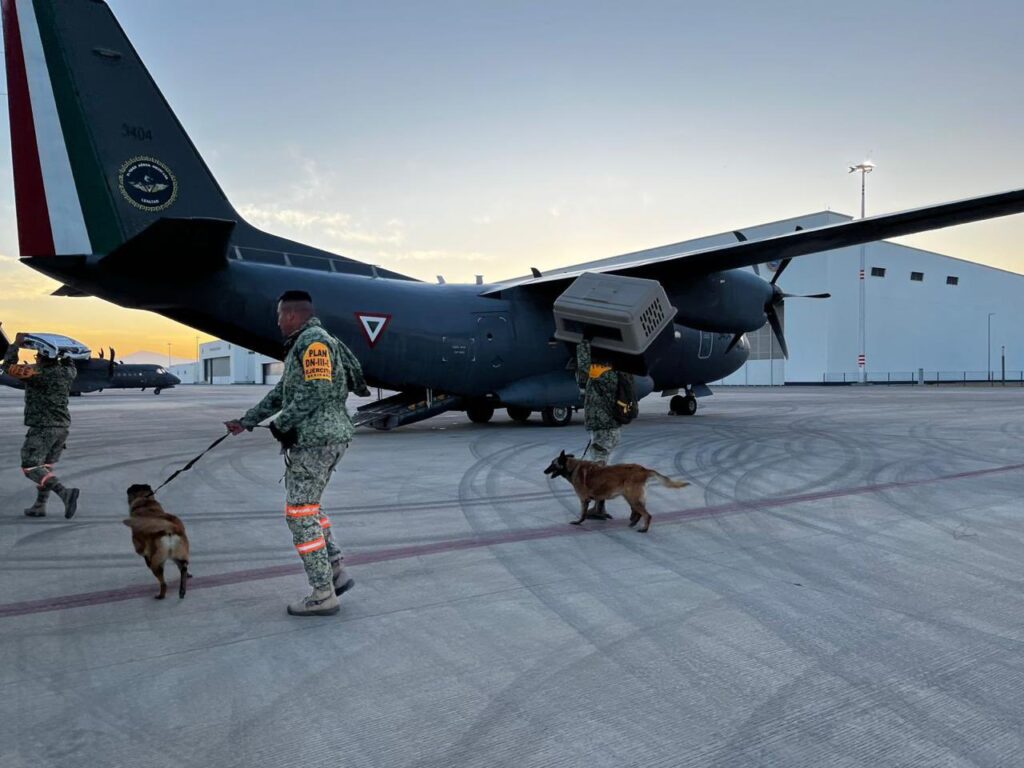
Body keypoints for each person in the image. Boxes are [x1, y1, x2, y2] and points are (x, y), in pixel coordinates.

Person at [225, 291, 370, 617]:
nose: (277, 321)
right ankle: (334, 570)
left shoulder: (314, 343)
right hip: (323, 438)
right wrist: (247, 421)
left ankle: (322, 594)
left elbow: (317, 390)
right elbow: (283, 392)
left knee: (300, 515)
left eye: (280, 315)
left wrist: (283, 423)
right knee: (310, 508)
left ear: (291, 315)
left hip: (318, 441)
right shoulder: (303, 343)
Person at [1, 331, 80, 518]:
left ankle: (65, 493)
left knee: (30, 466)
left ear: (42, 358)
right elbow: (70, 362)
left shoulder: (37, 373)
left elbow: (8, 367)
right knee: (45, 467)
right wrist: (62, 352)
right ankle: (39, 506)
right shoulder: (68, 372)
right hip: (62, 428)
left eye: (37, 355)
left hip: (44, 427)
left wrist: (15, 345)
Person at [576, 336, 620, 520]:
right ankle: (599, 506)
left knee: (598, 472)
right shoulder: (611, 372)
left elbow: (585, 367)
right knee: (600, 468)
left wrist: (583, 344)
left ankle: (599, 507)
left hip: (605, 429)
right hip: (605, 429)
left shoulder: (603, 373)